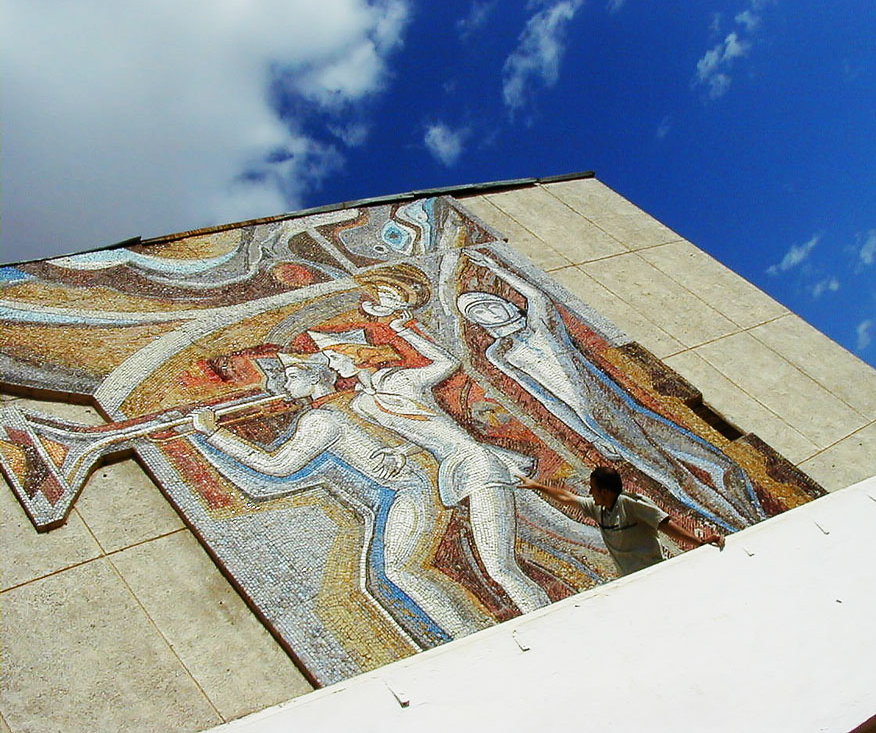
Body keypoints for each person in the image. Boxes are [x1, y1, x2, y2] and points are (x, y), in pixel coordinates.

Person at [457, 248, 764, 533]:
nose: (489, 311)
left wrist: (497, 268)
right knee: (674, 476)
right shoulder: (500, 353)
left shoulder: (542, 326)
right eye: (478, 312)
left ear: (507, 303)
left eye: (490, 303)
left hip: (627, 407)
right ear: (478, 323)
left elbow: (538, 296)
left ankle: (757, 517)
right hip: (597, 418)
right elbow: (549, 400)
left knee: (721, 462)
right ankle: (740, 526)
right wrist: (593, 436)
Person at [188, 348, 476, 643]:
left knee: (400, 569)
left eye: (292, 376)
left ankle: (467, 635)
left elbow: (277, 466)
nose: (285, 385)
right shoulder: (352, 400)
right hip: (430, 476)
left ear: (315, 377)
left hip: (414, 489)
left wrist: (214, 433)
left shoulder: (321, 421)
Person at [310, 321, 551, 615]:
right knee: (531, 545)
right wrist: (401, 451)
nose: (331, 366)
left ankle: (548, 621)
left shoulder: (400, 381)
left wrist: (404, 328)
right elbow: (422, 434)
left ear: (358, 353)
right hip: (450, 472)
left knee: (500, 567)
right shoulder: (362, 404)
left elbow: (448, 363)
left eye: (335, 357)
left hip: (476, 462)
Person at [518, 467, 724, 577]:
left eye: (592, 488)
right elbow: (567, 497)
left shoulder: (632, 504)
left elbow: (665, 524)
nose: (589, 493)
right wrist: (536, 485)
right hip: (629, 579)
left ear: (605, 491)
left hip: (654, 574)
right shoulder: (597, 508)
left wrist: (699, 543)